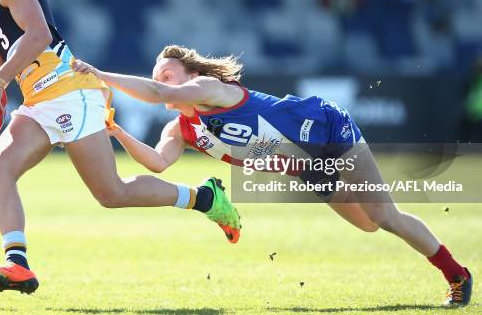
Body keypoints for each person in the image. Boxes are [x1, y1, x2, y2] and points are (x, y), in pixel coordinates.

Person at [0, 0, 241, 295]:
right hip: (39, 101)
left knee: (112, 193)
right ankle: (16, 262)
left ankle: (205, 197)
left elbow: (37, 36)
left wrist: (0, 82)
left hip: (71, 91)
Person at [73, 44, 473, 307]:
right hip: (305, 166)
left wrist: (100, 75)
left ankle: (457, 274)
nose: (161, 83)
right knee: (369, 226)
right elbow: (159, 163)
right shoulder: (180, 129)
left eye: (167, 75)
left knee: (384, 216)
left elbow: (161, 96)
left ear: (189, 74)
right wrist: (116, 131)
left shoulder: (209, 88)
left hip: (328, 130)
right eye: (157, 76)